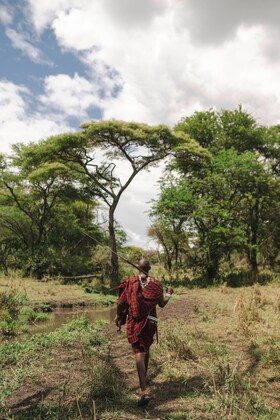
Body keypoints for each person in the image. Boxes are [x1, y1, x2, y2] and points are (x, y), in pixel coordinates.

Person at [115, 258, 174, 407]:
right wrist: (168, 293)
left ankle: (144, 390)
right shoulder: (156, 284)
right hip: (151, 321)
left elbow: (121, 303)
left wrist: (118, 316)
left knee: (139, 352)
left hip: (136, 321)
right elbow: (161, 304)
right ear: (150, 268)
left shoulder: (131, 282)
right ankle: (144, 379)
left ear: (138, 268)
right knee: (145, 349)